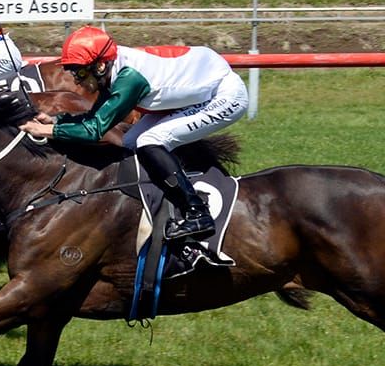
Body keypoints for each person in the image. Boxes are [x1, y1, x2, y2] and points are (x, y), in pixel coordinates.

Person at [18, 25, 249, 242]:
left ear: (99, 66)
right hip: (197, 85)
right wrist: (58, 119)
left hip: (223, 96)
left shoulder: (129, 78)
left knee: (150, 142)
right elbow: (98, 115)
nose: (76, 80)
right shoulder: (111, 67)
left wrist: (47, 130)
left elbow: (95, 129)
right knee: (129, 142)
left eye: (79, 73)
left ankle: (197, 213)